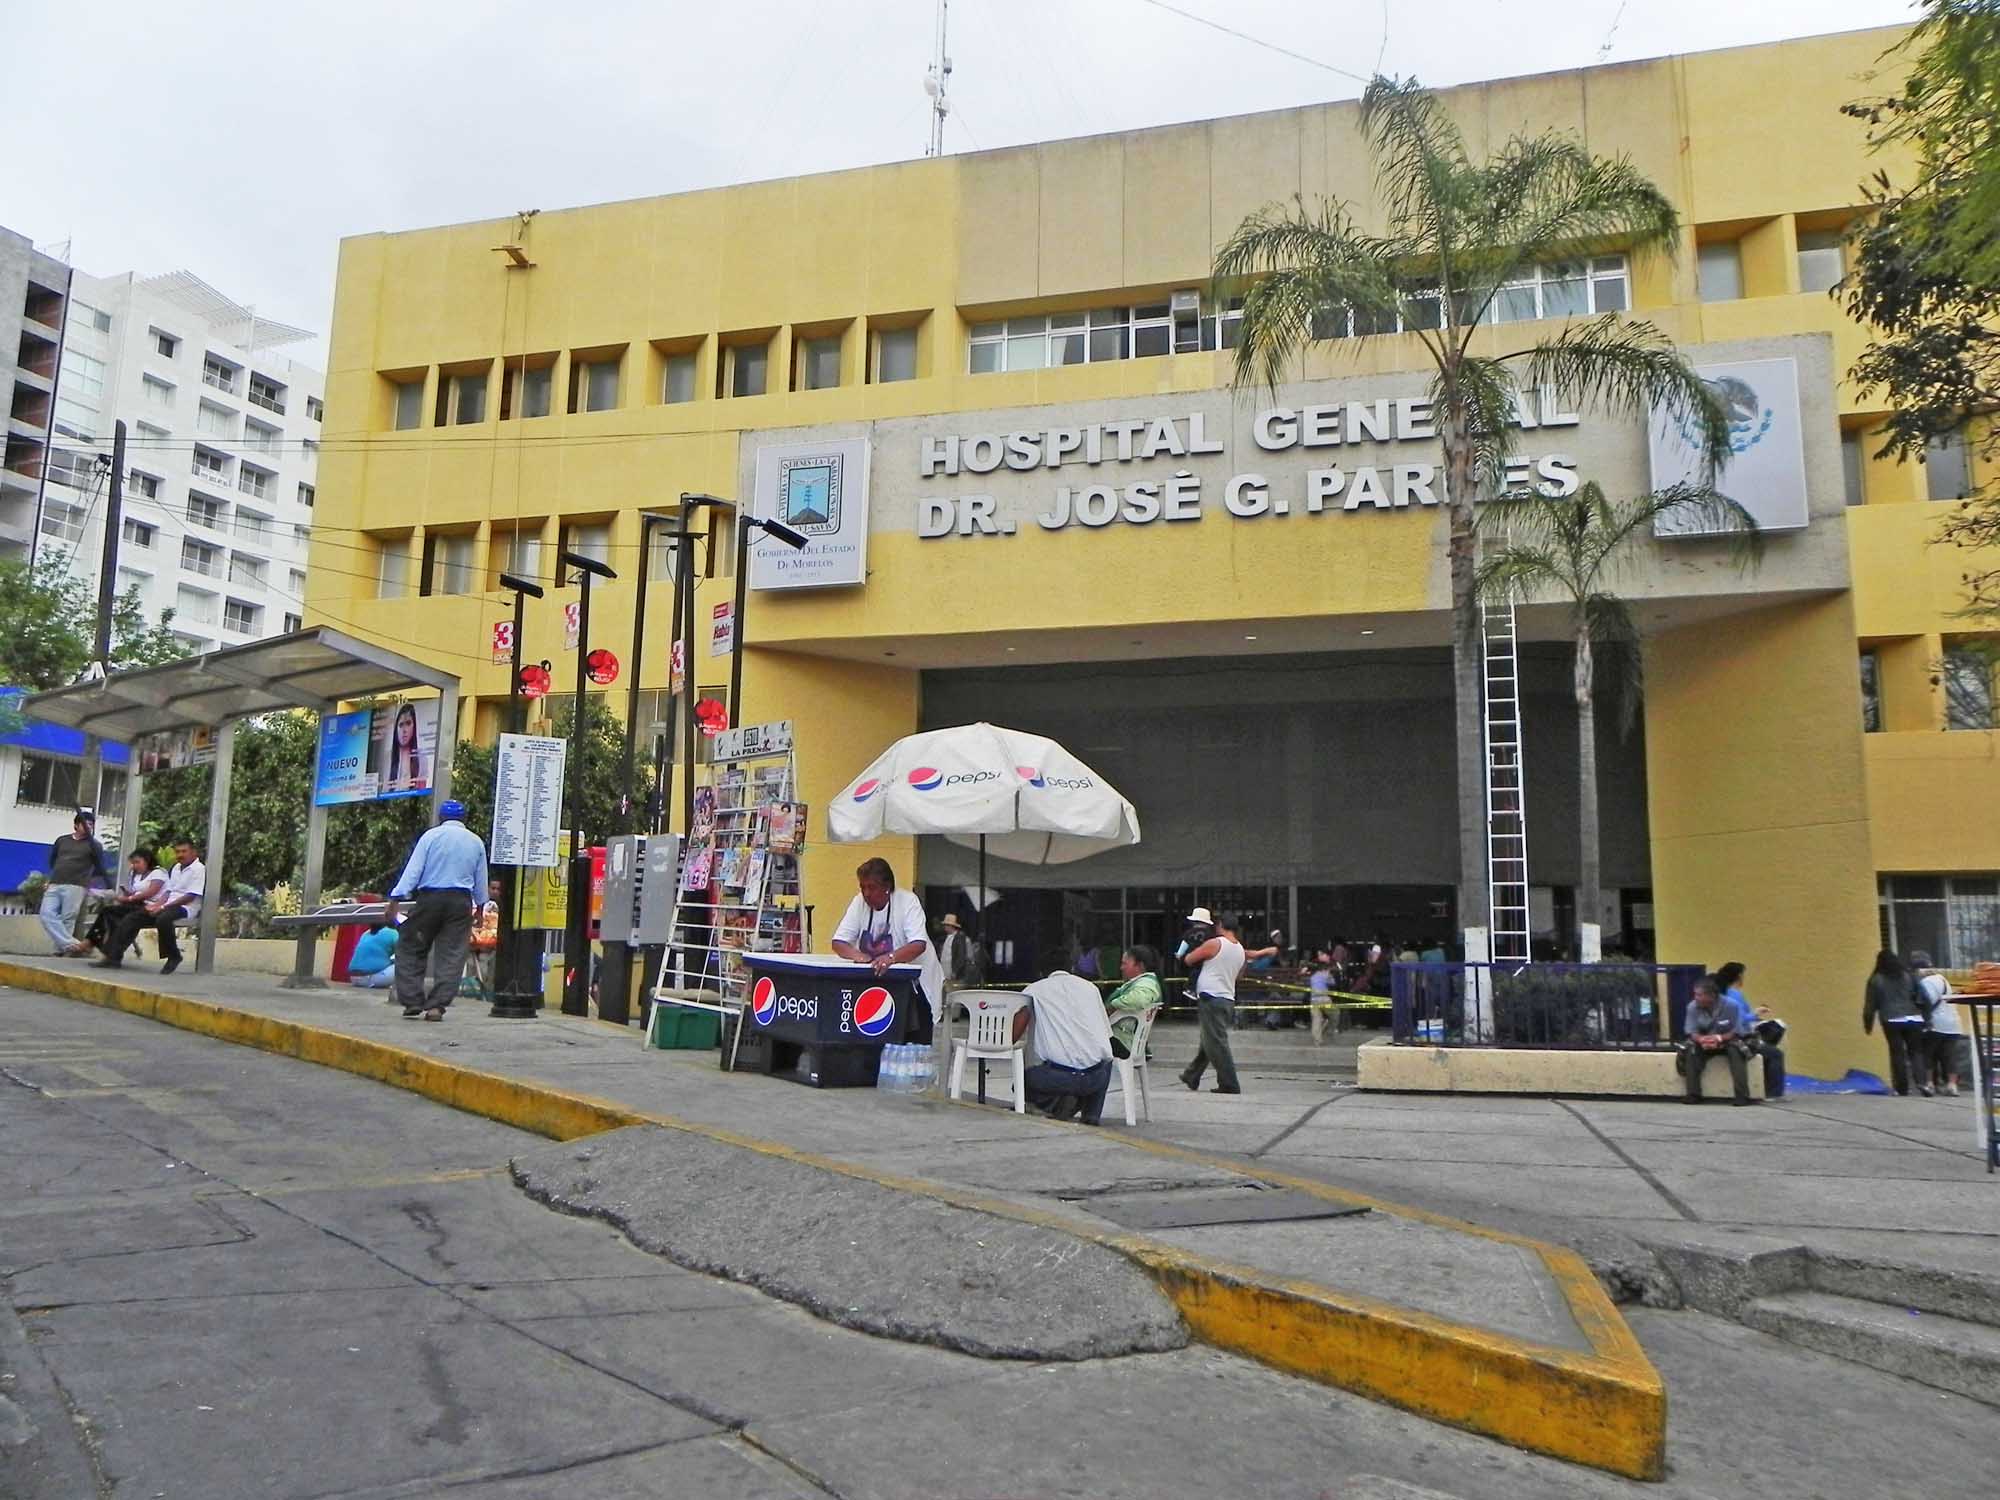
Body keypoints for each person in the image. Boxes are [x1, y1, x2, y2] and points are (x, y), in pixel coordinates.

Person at [386, 800, 488, 1021]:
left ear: (440, 817)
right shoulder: (476, 841)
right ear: (464, 819)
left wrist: (396, 898)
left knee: (411, 945)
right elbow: (481, 880)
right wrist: (480, 908)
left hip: (430, 899)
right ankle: (436, 1007)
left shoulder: (430, 837)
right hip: (460, 902)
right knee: (452, 954)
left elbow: (413, 871)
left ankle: (412, 1000)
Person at [830, 857, 943, 1045]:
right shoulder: (859, 902)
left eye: (872, 887)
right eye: (862, 887)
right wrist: (858, 956)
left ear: (887, 887)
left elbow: (918, 944)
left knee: (914, 1042)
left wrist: (890, 958)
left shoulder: (907, 902)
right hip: (881, 986)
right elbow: (838, 942)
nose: (866, 893)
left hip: (917, 986)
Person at [1178, 912, 1277, 1096]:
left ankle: (1229, 1082)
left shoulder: (1214, 943)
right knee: (1209, 1040)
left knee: (1216, 1042)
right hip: (1227, 997)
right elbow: (1239, 975)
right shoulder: (1240, 950)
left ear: (1220, 925)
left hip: (1210, 996)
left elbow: (1189, 959)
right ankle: (1192, 1075)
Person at [95, 838, 205, 974]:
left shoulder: (198, 869)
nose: (180, 855)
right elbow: (168, 892)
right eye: (177, 852)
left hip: (185, 907)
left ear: (193, 852)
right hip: (167, 904)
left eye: (184, 851)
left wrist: (162, 907)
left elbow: (190, 896)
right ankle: (113, 958)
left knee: (163, 919)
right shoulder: (176, 868)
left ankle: (174, 956)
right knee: (132, 918)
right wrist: (157, 905)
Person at [40, 808, 110, 956]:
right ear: (76, 825)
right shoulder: (62, 840)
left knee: (68, 918)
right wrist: (49, 879)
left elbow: (99, 866)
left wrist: (88, 882)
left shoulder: (94, 845)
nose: (88, 827)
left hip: (76, 885)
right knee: (46, 914)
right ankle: (74, 945)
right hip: (55, 882)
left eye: (91, 824)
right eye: (85, 824)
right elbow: (54, 861)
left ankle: (60, 950)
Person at [70, 851, 166, 956]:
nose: (135, 866)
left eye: (137, 862)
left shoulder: (158, 873)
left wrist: (129, 898)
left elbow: (151, 892)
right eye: (133, 863)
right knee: (108, 913)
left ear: (147, 861)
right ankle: (99, 946)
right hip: (136, 904)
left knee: (114, 914)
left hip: (152, 906)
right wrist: (129, 894)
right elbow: (138, 892)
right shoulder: (137, 875)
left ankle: (92, 944)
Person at [1862, 949, 1929, 1096]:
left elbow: (1870, 1006)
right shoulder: (1908, 975)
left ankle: (1902, 1087)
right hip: (1913, 1017)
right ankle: (1923, 1083)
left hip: (1891, 1018)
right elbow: (1923, 996)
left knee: (1897, 1053)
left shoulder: (1876, 980)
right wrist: (1926, 1017)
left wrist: (1868, 1025)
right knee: (1916, 1051)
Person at [1716, 960, 1785, 1100]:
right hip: (1738, 1039)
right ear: (1739, 976)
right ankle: (1773, 1092)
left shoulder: (1720, 993)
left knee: (1768, 1050)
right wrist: (1756, 1014)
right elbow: (1739, 1019)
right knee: (1775, 1054)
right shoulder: (1734, 995)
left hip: (1724, 1036)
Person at [1678, 975, 1753, 1104]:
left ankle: (1742, 1096)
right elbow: (1691, 1031)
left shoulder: (1731, 1006)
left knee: (1736, 1051)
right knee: (1691, 1051)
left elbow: (1736, 1031)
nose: (1696, 998)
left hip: (1727, 1039)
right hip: (1704, 1040)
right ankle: (1693, 1094)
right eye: (1695, 994)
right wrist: (1702, 1040)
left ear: (1712, 996)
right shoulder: (1692, 1007)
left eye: (1699, 995)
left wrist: (1719, 1038)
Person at [1911, 951, 1966, 1098]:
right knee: (1950, 1056)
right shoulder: (1942, 979)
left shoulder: (1925, 983)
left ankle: (1929, 1084)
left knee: (1929, 1054)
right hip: (1953, 1024)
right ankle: (1952, 1085)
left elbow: (1925, 1002)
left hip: (1936, 1023)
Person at [1103, 945, 1162, 1059]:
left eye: (1124, 963)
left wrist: (1111, 1006)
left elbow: (1138, 999)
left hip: (1122, 1041)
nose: (1121, 968)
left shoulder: (1147, 984)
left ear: (1140, 965)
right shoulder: (1138, 982)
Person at [467, 878, 502, 994]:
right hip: (475, 940)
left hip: (489, 944)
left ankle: (484, 989)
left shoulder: (498, 907)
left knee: (485, 966)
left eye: (498, 889)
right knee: (472, 964)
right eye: (493, 888)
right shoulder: (475, 904)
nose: (495, 891)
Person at [348, 921, 400, 989]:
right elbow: (404, 952)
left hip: (354, 979)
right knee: (405, 963)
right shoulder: (392, 932)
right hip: (372, 979)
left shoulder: (366, 933)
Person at [385, 702, 424, 790]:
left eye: (408, 723)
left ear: (414, 726)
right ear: (396, 728)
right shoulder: (386, 758)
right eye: (401, 725)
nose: (404, 730)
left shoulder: (421, 759)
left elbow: (423, 791)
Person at [1306, 949, 1334, 1044]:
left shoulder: (1312, 976)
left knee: (1316, 1019)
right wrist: (1329, 974)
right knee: (1334, 1015)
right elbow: (1333, 983)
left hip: (1314, 999)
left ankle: (1317, 1040)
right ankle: (1327, 1027)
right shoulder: (1326, 974)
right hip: (1325, 999)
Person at [936, 912, 970, 990]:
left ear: (951, 926)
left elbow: (961, 956)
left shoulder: (959, 937)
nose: (944, 927)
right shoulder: (945, 938)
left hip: (953, 973)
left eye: (946, 925)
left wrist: (955, 971)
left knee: (953, 991)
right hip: (945, 971)